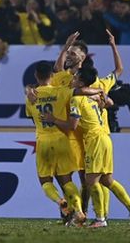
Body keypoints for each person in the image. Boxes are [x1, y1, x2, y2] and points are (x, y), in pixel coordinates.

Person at [45, 66, 130, 228]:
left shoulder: (76, 99)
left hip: (94, 140)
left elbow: (72, 125)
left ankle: (100, 219)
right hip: (105, 137)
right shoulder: (96, 93)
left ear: (81, 82)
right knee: (107, 180)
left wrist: (53, 119)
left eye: (76, 77)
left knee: (90, 181)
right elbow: (110, 102)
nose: (73, 79)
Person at [25, 61, 101, 227]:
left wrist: (30, 92)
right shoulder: (62, 91)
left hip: (43, 140)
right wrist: (99, 90)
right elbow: (82, 91)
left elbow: (32, 118)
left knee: (45, 181)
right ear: (52, 76)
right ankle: (80, 211)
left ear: (36, 76)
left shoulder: (31, 96)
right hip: (62, 140)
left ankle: (60, 201)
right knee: (67, 181)